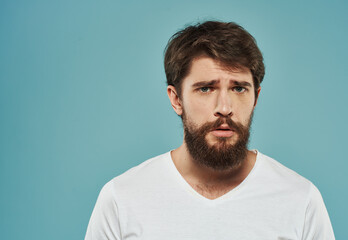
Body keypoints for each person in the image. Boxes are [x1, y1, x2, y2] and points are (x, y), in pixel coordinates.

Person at [85, 21, 335, 240]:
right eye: (206, 88)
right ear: (176, 99)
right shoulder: (122, 199)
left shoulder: (301, 200)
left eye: (239, 88)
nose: (224, 108)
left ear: (256, 97)